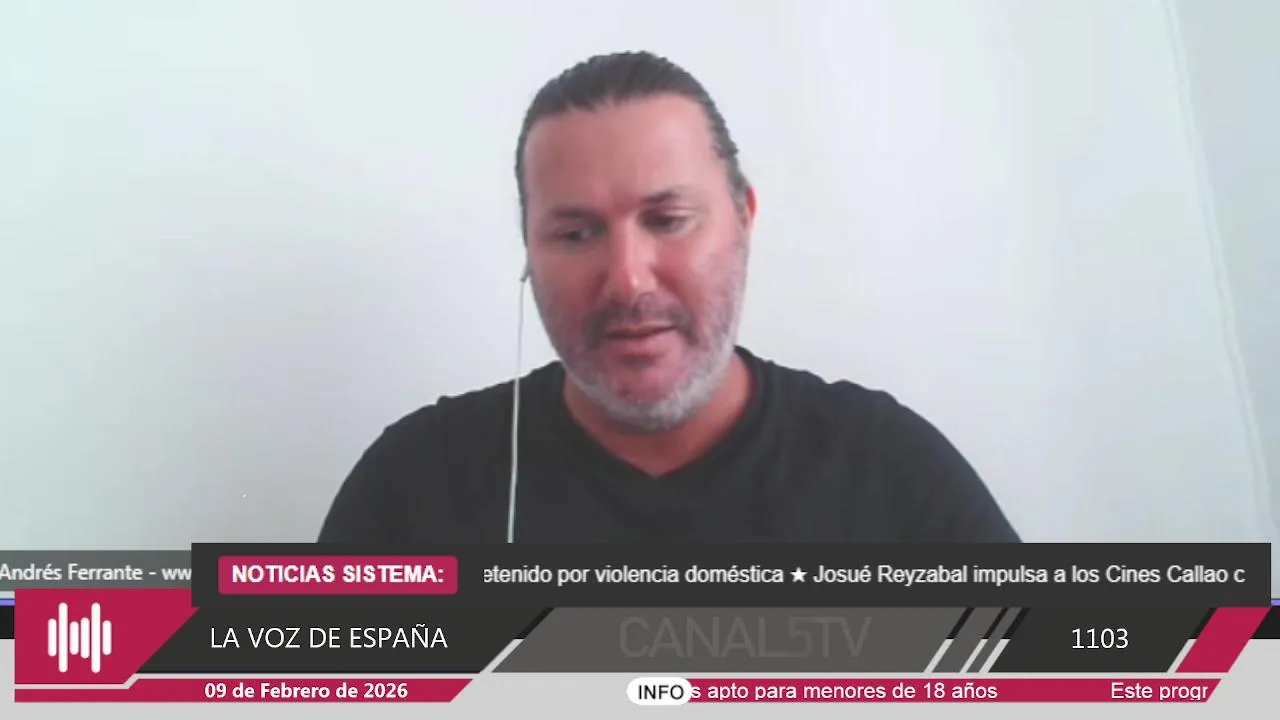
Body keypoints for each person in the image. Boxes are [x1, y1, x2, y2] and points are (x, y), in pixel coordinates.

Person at [319, 51, 1019, 544]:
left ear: (743, 218)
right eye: (576, 233)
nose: (628, 280)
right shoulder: (413, 485)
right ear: (528, 249)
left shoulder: (889, 473)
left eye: (667, 220)